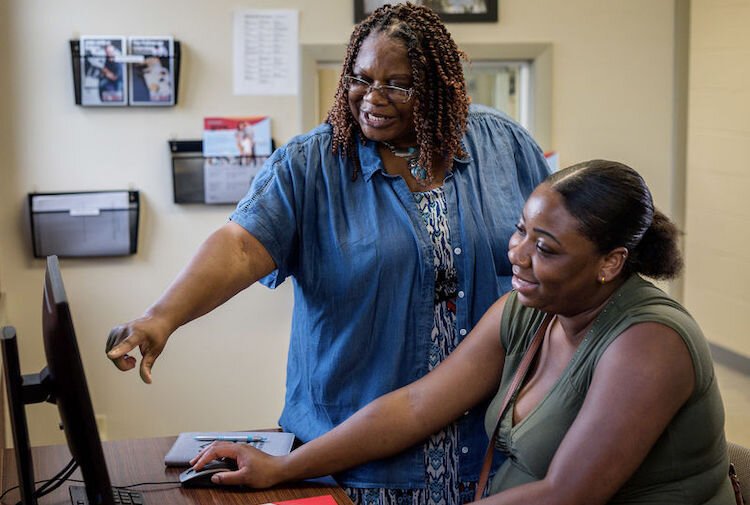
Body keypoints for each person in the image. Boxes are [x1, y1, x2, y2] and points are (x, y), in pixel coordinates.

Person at [105, 3, 549, 504]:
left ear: (439, 88)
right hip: (351, 470)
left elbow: (561, 246)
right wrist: (160, 318)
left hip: (492, 464)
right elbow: (240, 243)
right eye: (361, 78)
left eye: (398, 84)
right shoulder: (311, 164)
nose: (373, 98)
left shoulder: (503, 146)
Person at [189, 160, 735, 504]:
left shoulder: (648, 343)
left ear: (611, 263)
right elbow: (417, 405)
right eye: (521, 229)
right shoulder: (527, 311)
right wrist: (282, 467)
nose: (517, 254)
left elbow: (568, 492)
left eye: (546, 248)